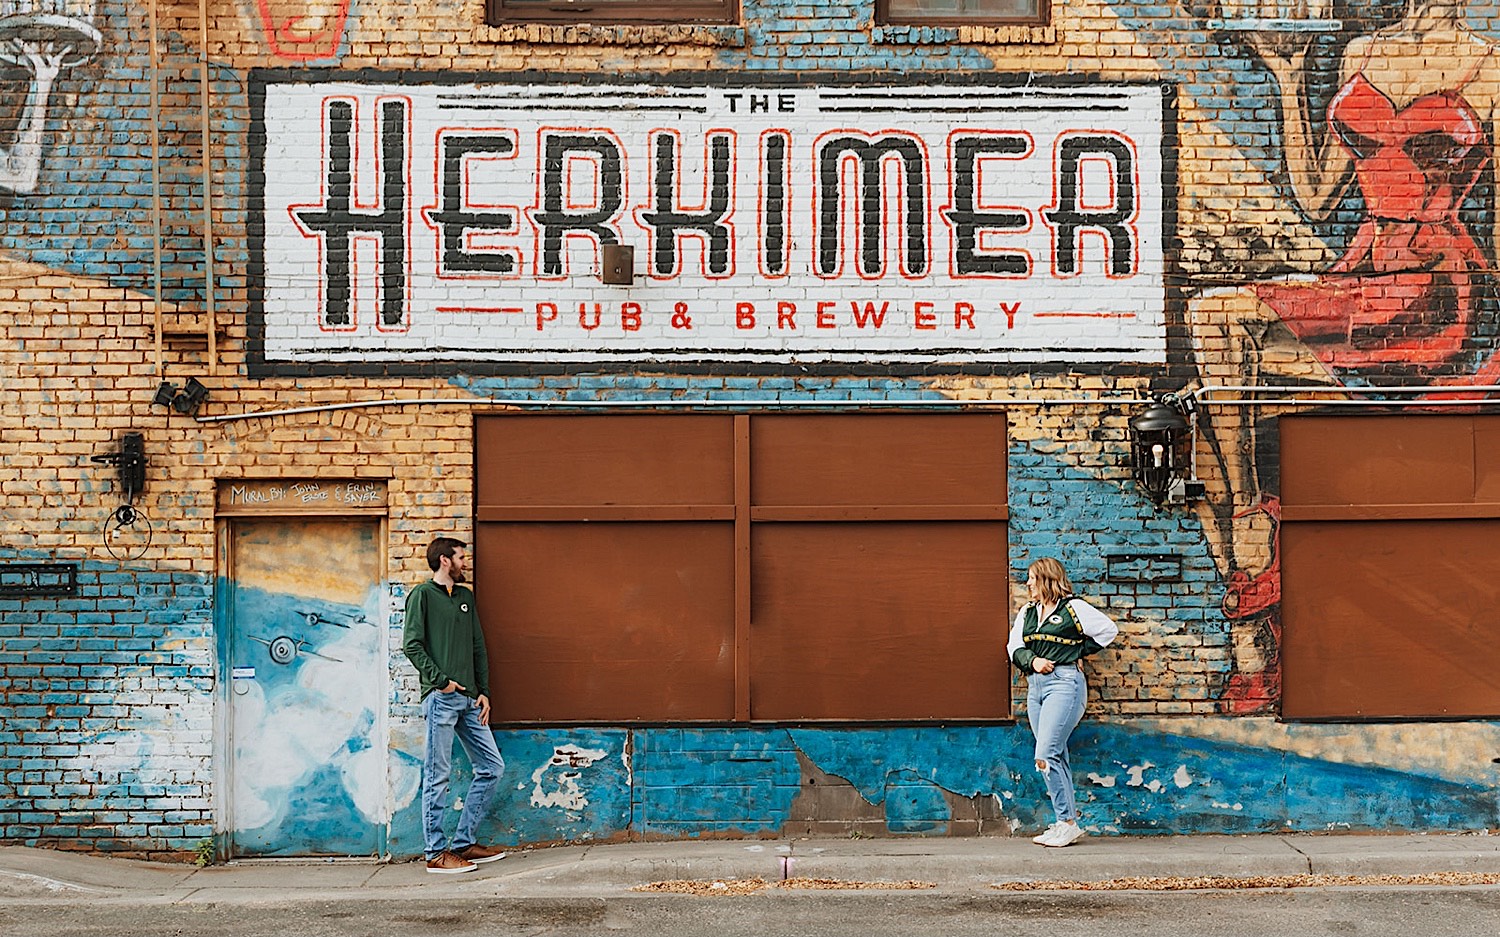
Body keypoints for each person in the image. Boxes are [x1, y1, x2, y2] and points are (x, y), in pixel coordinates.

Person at [403, 536, 507, 873]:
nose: (465, 563)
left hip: (469, 700)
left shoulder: (465, 597)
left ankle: (463, 843)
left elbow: (478, 646)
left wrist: (484, 691)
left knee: (492, 767)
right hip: (441, 698)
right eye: (461, 558)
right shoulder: (422, 596)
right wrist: (442, 681)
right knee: (438, 775)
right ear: (445, 560)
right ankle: (435, 853)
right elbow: (412, 645)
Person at [1007, 557, 1118, 848]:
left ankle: (1067, 824)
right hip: (1036, 688)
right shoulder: (1028, 612)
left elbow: (1108, 631)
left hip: (1065, 684)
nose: (1028, 583)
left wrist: (1074, 653)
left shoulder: (1073, 608)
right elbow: (1014, 646)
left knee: (1045, 754)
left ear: (1046, 579)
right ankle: (1063, 822)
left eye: (1032, 578)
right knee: (1056, 755)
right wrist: (1033, 661)